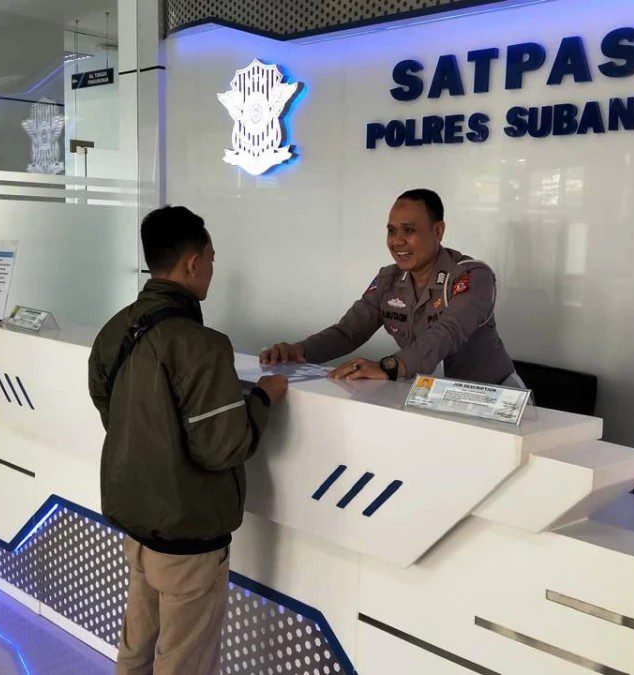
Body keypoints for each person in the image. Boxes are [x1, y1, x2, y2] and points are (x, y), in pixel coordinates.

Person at [88, 205, 288, 675]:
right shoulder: (201, 345)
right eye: (211, 259)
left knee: (137, 648)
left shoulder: (115, 329)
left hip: (139, 527)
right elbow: (223, 446)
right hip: (187, 539)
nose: (213, 269)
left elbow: (108, 406)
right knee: (184, 662)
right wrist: (264, 397)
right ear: (193, 263)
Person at [261, 188, 522, 387]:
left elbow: (447, 333)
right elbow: (348, 333)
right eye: (391, 231)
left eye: (408, 230)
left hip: (493, 399)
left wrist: (388, 366)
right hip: (426, 397)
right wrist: (299, 352)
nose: (397, 241)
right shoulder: (389, 279)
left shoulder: (472, 276)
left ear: (438, 231)